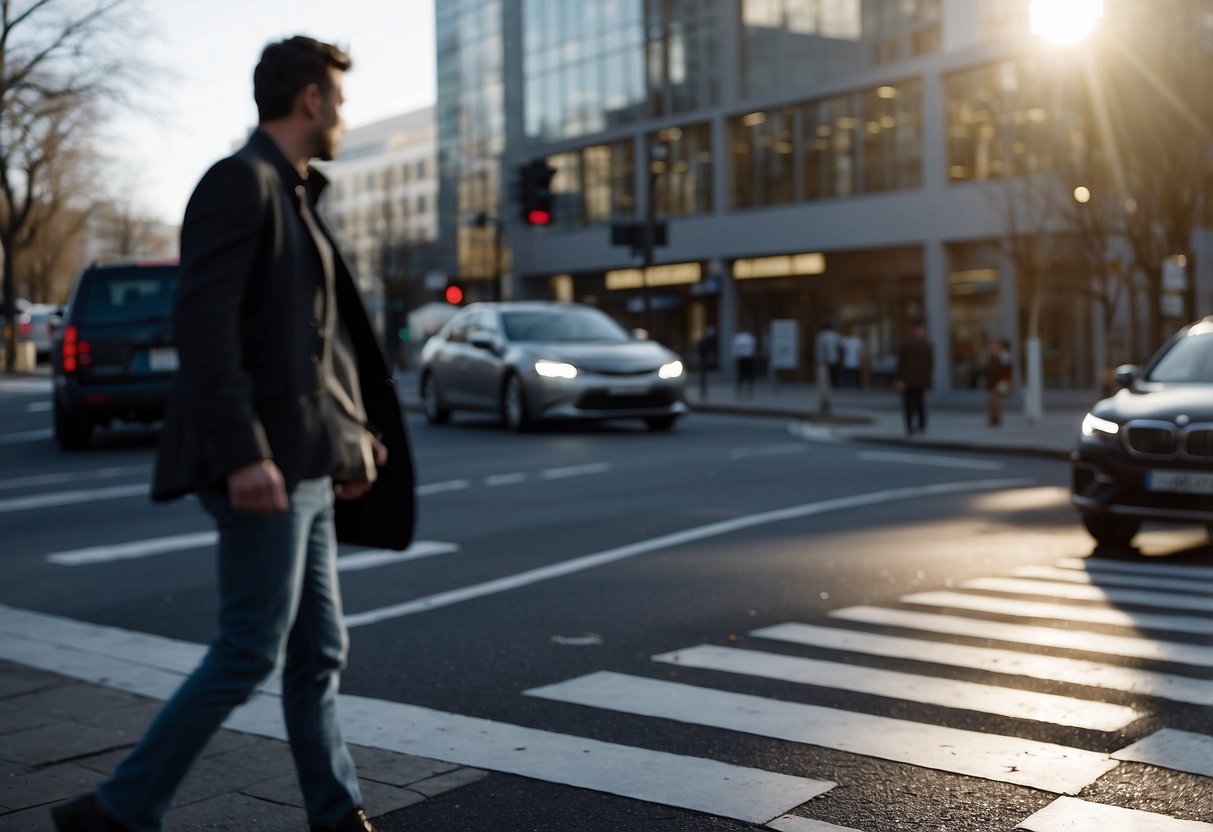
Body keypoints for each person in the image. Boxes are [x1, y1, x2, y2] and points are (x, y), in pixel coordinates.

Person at [52, 36, 415, 832]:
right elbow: (205, 327)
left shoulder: (290, 194)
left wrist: (352, 441)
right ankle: (118, 810)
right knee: (250, 649)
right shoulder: (238, 182)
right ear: (311, 100)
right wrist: (246, 452)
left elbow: (312, 347)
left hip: (308, 467)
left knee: (318, 653)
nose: (343, 116)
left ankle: (336, 809)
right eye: (340, 101)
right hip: (265, 468)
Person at [895, 321, 934, 435]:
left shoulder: (927, 346)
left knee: (920, 403)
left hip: (919, 380)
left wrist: (928, 381)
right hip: (907, 380)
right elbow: (901, 364)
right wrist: (899, 379)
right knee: (908, 405)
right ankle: (909, 427)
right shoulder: (906, 345)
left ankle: (921, 425)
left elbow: (930, 365)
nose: (918, 332)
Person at [985, 337, 1013, 426]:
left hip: (1000, 382)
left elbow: (1006, 369)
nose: (994, 347)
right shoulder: (993, 356)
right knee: (992, 401)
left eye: (997, 345)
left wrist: (1005, 381)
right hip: (993, 382)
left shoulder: (1004, 356)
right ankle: (994, 418)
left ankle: (996, 418)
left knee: (994, 400)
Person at [815, 321, 840, 413]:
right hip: (834, 361)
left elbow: (820, 350)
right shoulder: (835, 335)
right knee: (830, 382)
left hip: (823, 362)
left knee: (823, 382)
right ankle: (829, 400)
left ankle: (824, 401)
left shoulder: (821, 336)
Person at [695, 325, 719, 400]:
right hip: (703, 360)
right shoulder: (705, 342)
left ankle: (703, 393)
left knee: (703, 377)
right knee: (703, 377)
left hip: (704, 360)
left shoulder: (708, 342)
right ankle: (703, 393)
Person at [733, 328, 757, 398]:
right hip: (748, 358)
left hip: (741, 358)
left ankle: (740, 389)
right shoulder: (750, 337)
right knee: (749, 375)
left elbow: (735, 349)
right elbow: (753, 347)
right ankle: (749, 389)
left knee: (741, 375)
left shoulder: (738, 338)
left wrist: (735, 356)